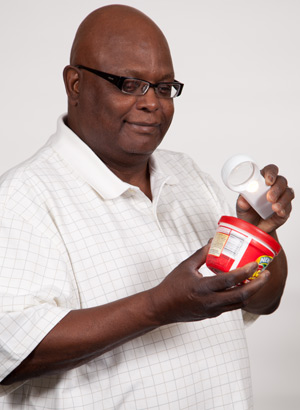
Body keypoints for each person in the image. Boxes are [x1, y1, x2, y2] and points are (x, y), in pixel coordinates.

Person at [0, 4, 294, 409]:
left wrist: (259, 236)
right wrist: (158, 307)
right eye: (129, 84)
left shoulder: (187, 174)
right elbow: (8, 356)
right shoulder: (23, 197)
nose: (153, 103)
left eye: (164, 87)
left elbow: (265, 299)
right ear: (75, 84)